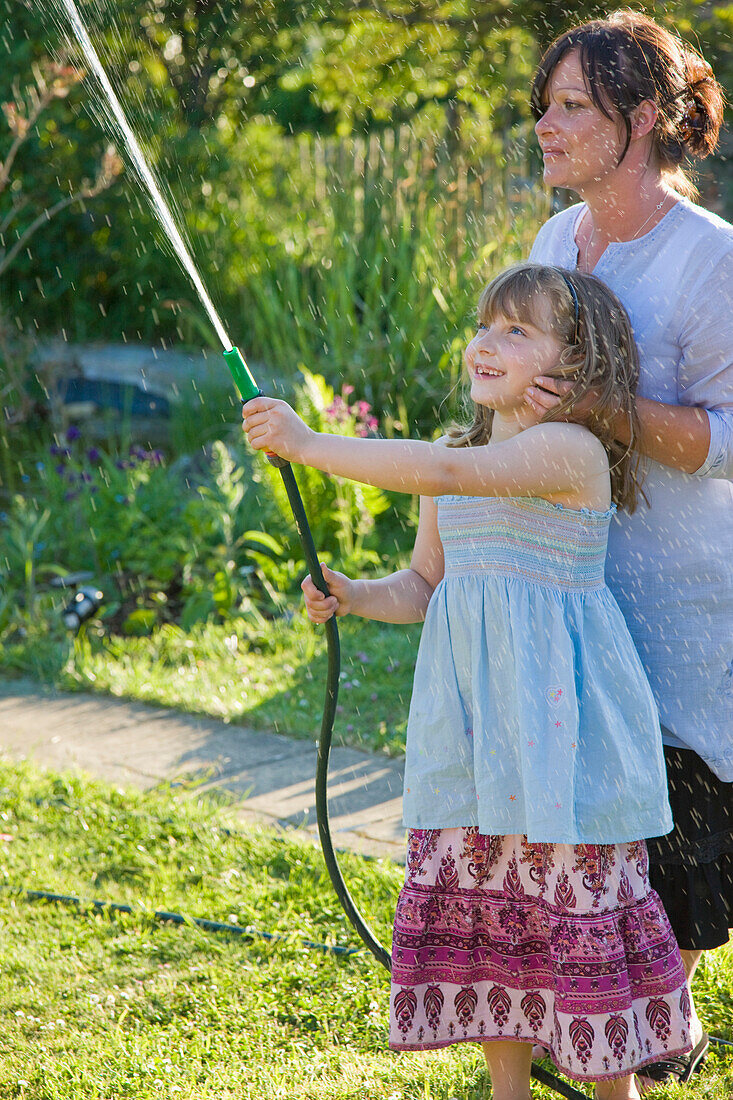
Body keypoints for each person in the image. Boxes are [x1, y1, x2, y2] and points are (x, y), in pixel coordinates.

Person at [242, 262, 692, 1100]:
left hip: (562, 730)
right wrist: (353, 594)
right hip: (479, 728)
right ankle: (507, 1089)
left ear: (576, 359)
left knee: (573, 901)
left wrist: (307, 445)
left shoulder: (568, 450)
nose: (485, 343)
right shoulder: (453, 452)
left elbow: (446, 478)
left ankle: (612, 1090)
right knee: (493, 912)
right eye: (483, 326)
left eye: (516, 330)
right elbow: (423, 585)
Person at [526, 10, 733, 1085]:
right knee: (603, 837)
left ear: (641, 119)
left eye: (573, 107)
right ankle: (635, 1031)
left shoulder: (709, 262)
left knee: (692, 865)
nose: (546, 126)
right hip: (571, 588)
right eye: (545, 105)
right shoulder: (551, 244)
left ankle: (667, 1007)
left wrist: (614, 410)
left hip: (689, 610)